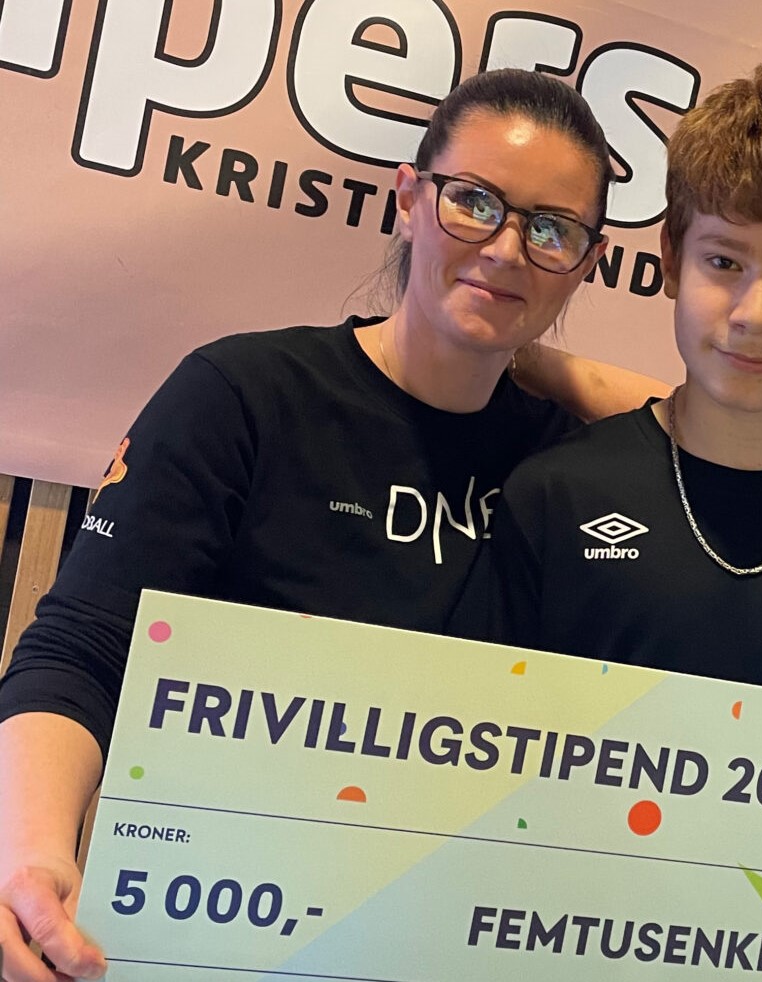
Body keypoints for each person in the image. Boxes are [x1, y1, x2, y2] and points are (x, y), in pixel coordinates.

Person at [0, 69, 612, 981]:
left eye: (552, 229)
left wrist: (571, 376)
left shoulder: (575, 473)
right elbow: (82, 649)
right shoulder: (243, 396)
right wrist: (33, 853)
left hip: (448, 943)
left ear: (588, 264)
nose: (505, 248)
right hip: (208, 936)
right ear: (409, 198)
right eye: (474, 202)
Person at [452, 61, 762, 706]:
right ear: (671, 261)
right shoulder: (558, 495)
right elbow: (482, 732)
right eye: (724, 262)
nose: (757, 315)